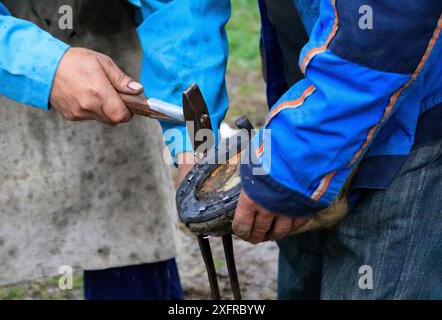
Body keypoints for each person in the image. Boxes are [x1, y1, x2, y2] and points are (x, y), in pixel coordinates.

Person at [145, 0, 442, 299]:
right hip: (298, 108)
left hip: (404, 121)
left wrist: (292, 160)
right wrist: (194, 134)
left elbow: (388, 19)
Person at [0, 0, 185, 300]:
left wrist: (188, 137)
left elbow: (176, 9)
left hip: (105, 36)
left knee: (130, 236)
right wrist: (45, 65)